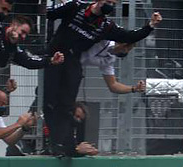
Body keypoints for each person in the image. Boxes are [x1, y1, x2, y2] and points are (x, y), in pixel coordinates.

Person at [44, 0, 161, 156]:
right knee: (49, 102)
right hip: (56, 56)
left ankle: (65, 146)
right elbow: (51, 13)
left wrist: (150, 25)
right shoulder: (85, 16)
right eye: (127, 46)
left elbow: (113, 85)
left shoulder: (107, 43)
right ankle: (47, 141)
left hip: (73, 65)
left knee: (68, 108)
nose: (126, 50)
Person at [0, 15, 65, 80]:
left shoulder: (13, 46)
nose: (23, 37)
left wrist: (50, 60)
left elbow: (28, 61)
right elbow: (1, 60)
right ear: (14, 25)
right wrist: (11, 44)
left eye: (26, 35)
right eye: (23, 32)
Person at [81, 41, 146, 94]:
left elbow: (113, 85)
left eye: (129, 49)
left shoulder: (109, 60)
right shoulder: (104, 40)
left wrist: (134, 89)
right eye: (125, 46)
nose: (125, 51)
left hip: (75, 65)